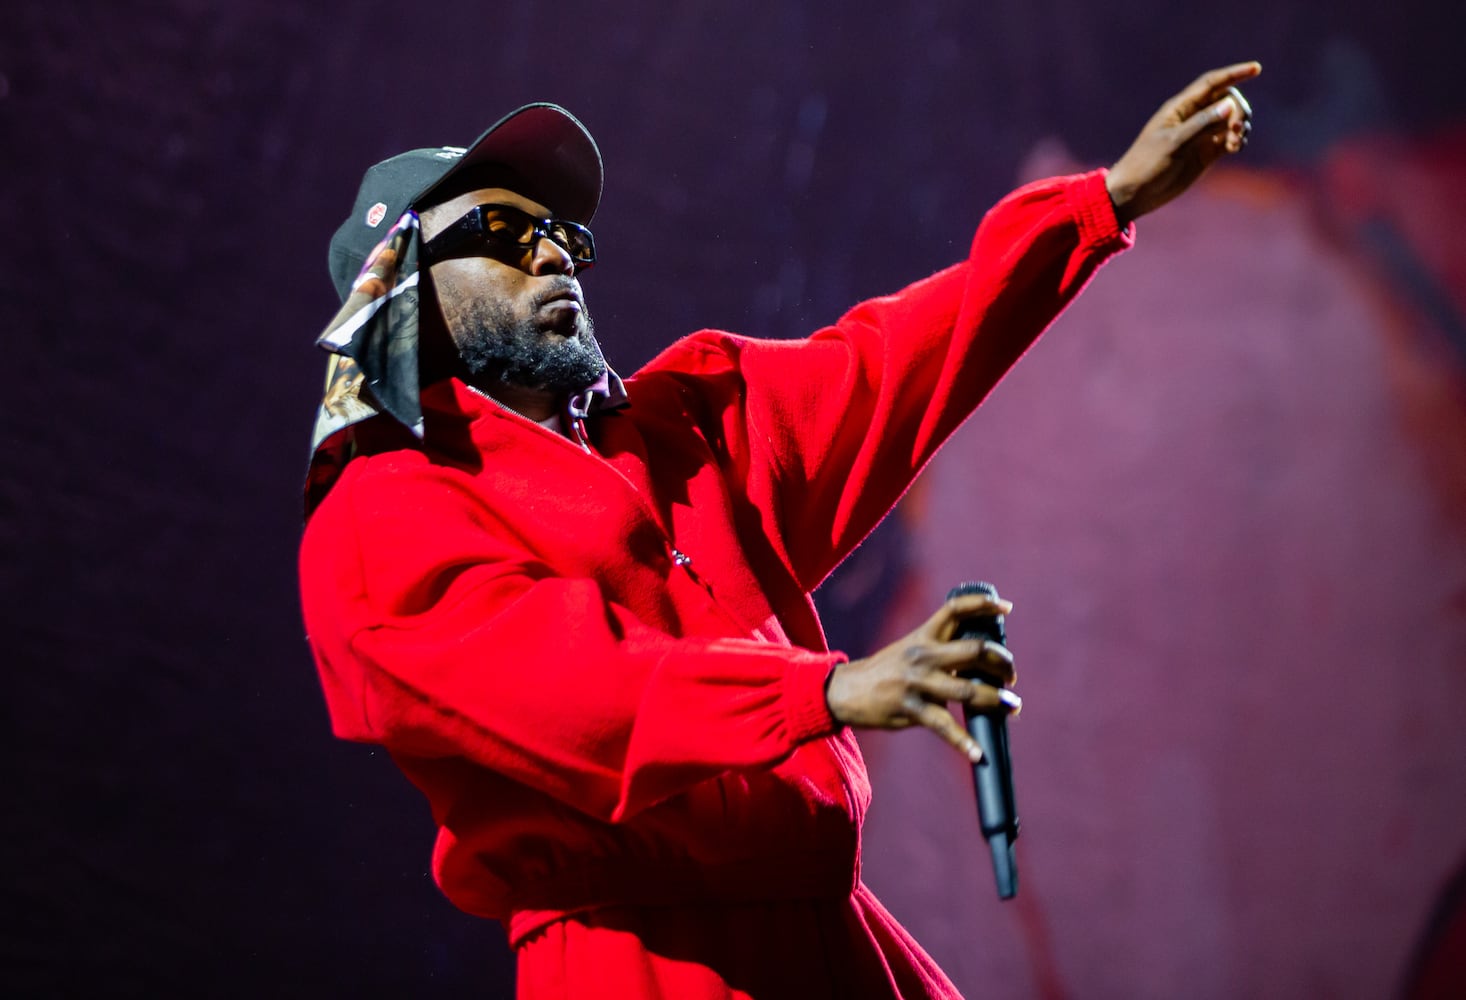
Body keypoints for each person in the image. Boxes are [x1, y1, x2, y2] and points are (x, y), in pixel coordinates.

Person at [299, 63, 1259, 999]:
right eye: (504, 232)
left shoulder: (680, 426)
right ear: (405, 287)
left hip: (829, 933)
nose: (555, 252)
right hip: (643, 960)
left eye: (562, 235)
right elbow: (569, 683)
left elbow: (885, 368)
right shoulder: (383, 512)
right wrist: (822, 692)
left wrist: (1102, 207)